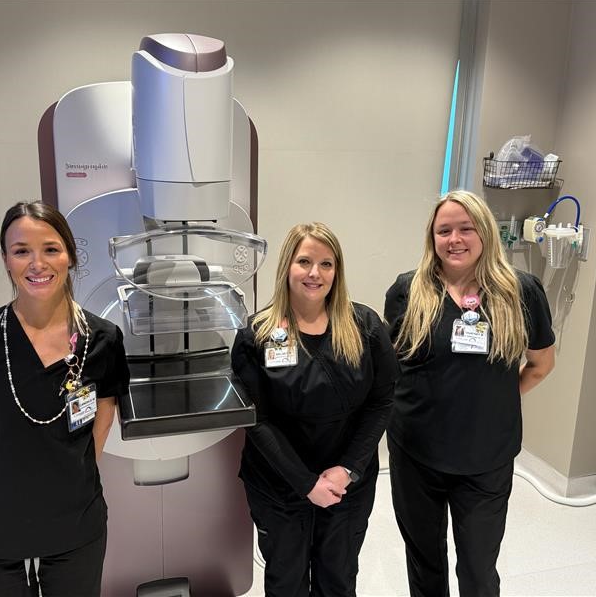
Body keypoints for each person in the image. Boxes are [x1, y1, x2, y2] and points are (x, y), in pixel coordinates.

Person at [0, 201, 129, 596]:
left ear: (70, 256)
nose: (37, 264)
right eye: (21, 250)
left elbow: (100, 427)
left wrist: (62, 478)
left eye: (50, 249)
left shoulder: (103, 340)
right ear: (6, 260)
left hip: (74, 519)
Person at [384, 190, 556, 597]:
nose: (454, 239)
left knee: (479, 570)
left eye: (466, 228)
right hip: (416, 455)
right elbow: (392, 369)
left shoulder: (521, 291)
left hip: (485, 459)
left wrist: (493, 402)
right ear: (432, 237)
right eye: (444, 230)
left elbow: (541, 364)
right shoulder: (409, 290)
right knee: (424, 562)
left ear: (485, 233)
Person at [231, 222, 398, 597]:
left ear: (337, 271)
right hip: (279, 484)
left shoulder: (366, 327)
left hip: (346, 485)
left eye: (326, 264)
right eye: (304, 261)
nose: (314, 273)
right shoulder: (257, 335)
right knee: (286, 582)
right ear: (287, 266)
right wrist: (305, 483)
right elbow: (256, 418)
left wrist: (347, 470)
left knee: (337, 580)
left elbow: (381, 401)